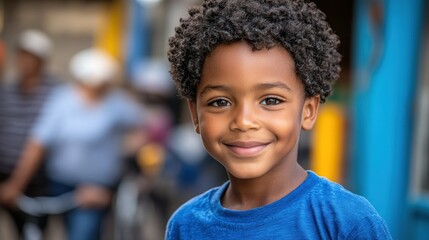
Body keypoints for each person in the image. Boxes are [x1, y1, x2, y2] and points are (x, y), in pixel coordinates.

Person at [165, 0, 392, 239]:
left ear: (308, 110)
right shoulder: (186, 224)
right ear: (195, 114)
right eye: (220, 102)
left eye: (270, 101)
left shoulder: (348, 222)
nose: (243, 121)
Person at [1, 48, 144, 240]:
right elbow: (38, 143)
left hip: (96, 190)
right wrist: (16, 184)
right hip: (59, 186)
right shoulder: (62, 100)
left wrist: (125, 165)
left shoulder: (116, 104)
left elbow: (143, 129)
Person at [0, 29, 57, 237]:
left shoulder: (55, 95)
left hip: (36, 182)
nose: (25, 62)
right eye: (22, 56)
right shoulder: (6, 91)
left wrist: (16, 184)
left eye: (31, 57)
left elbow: (39, 143)